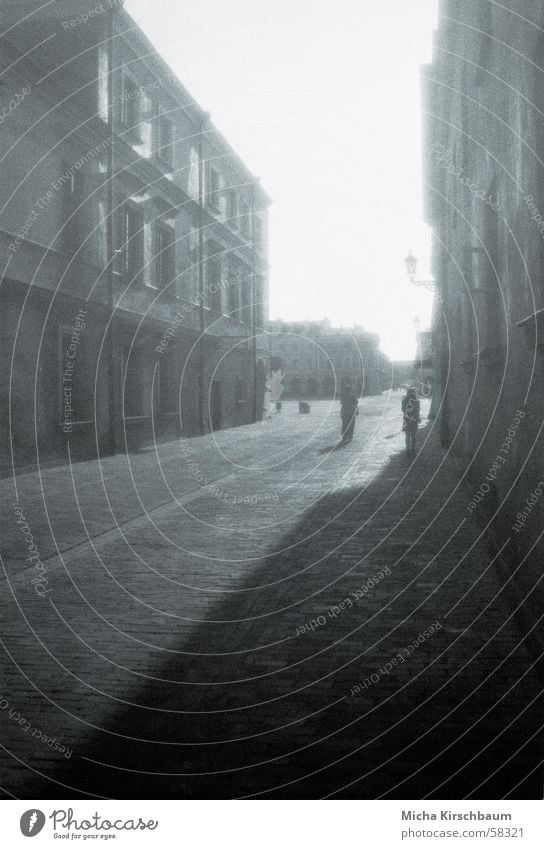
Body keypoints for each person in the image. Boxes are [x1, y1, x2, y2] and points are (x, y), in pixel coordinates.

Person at [402, 387, 420, 457]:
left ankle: (407, 450)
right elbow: (418, 411)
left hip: (406, 419)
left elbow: (403, 410)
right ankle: (412, 450)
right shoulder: (417, 401)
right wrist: (418, 418)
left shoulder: (404, 401)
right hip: (414, 420)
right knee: (413, 436)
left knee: (407, 436)